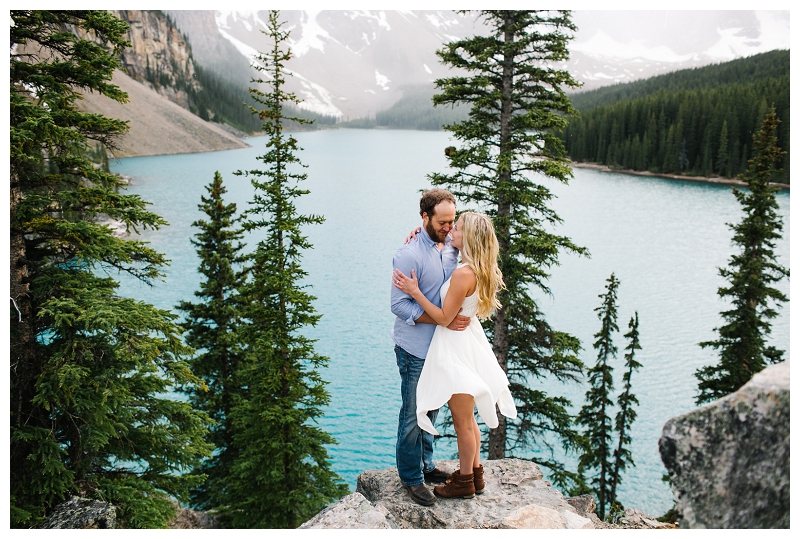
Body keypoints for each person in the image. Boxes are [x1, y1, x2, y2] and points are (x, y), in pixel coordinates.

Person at [392, 211, 517, 499]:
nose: (451, 232)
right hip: (468, 343)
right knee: (469, 419)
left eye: (456, 228)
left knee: (462, 421)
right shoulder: (478, 268)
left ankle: (463, 483)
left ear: (467, 237)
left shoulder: (463, 273)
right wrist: (420, 232)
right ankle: (475, 475)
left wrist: (414, 291)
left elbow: (444, 317)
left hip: (455, 348)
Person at [390, 188, 471, 507]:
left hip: (442, 349)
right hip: (414, 349)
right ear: (424, 217)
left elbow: (473, 239)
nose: (449, 227)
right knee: (412, 413)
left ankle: (425, 464)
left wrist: (447, 321)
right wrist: (440, 320)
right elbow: (398, 305)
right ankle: (411, 477)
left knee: (432, 407)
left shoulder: (452, 246)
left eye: (452, 221)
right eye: (442, 221)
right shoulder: (408, 254)